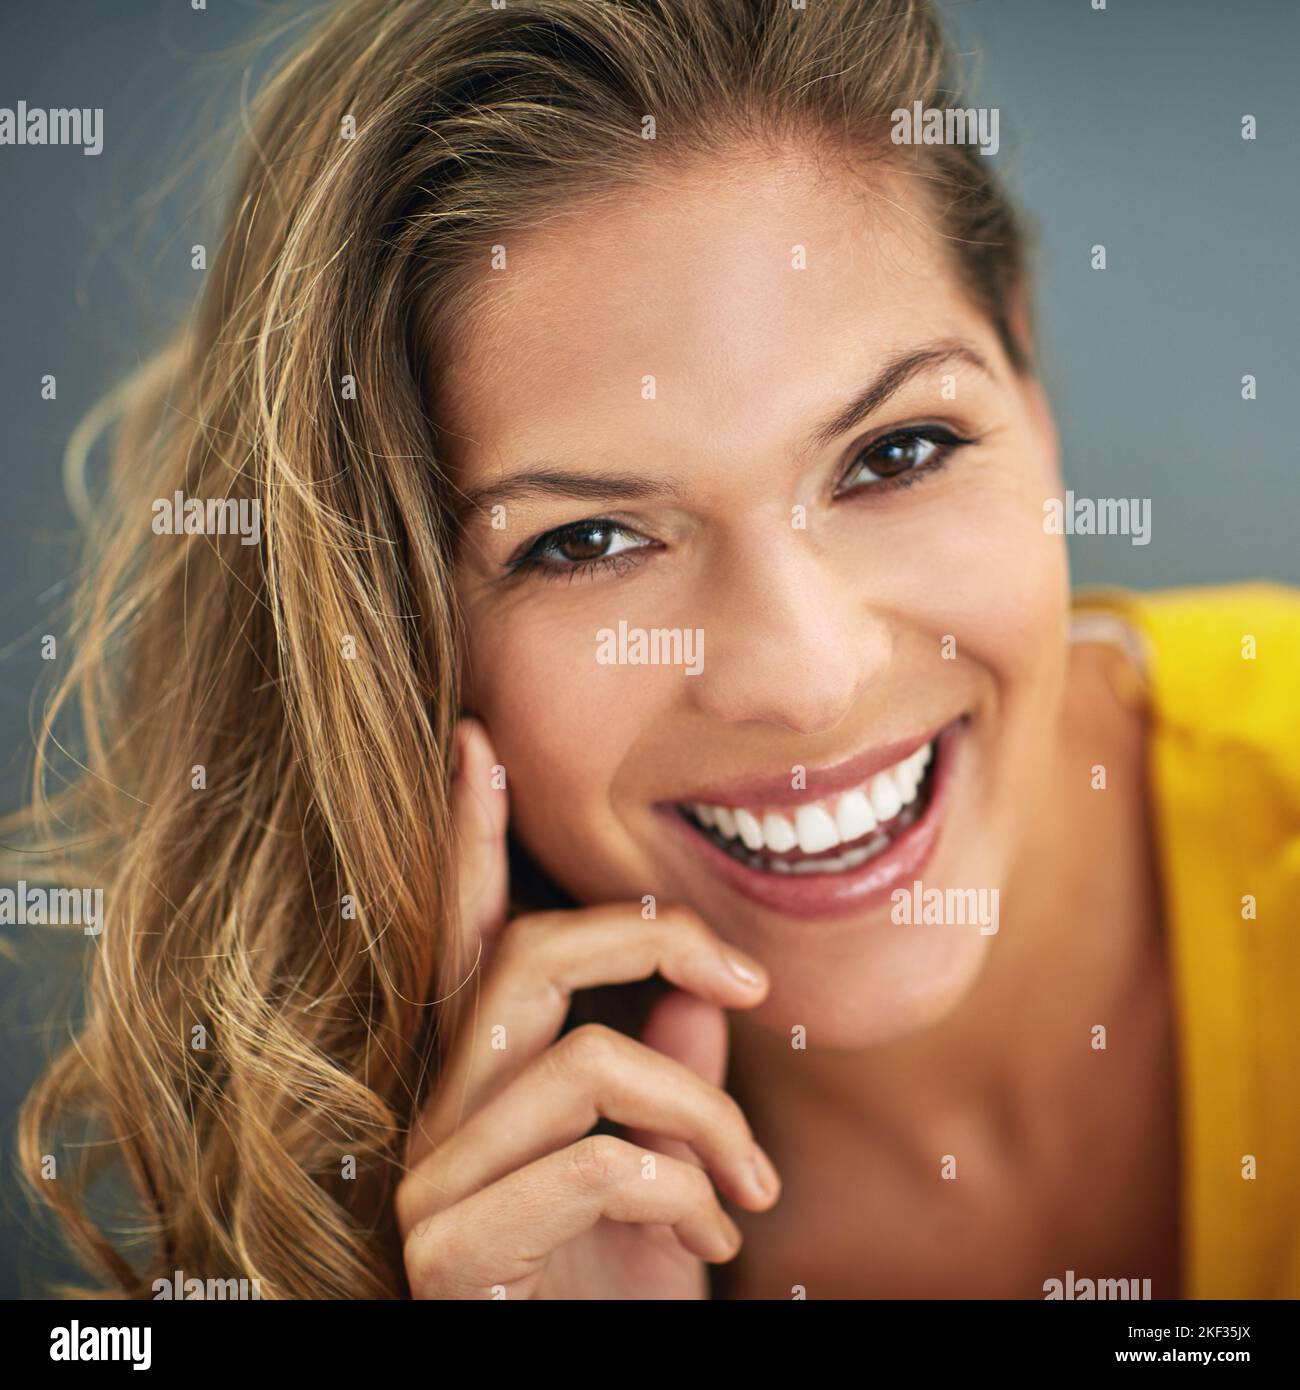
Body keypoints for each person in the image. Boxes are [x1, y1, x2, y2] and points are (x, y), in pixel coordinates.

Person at [17, 0, 1300, 1299]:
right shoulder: (394, 1218)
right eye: (587, 542)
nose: (804, 679)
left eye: (896, 452)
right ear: (396, 633)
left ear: (1028, 375)